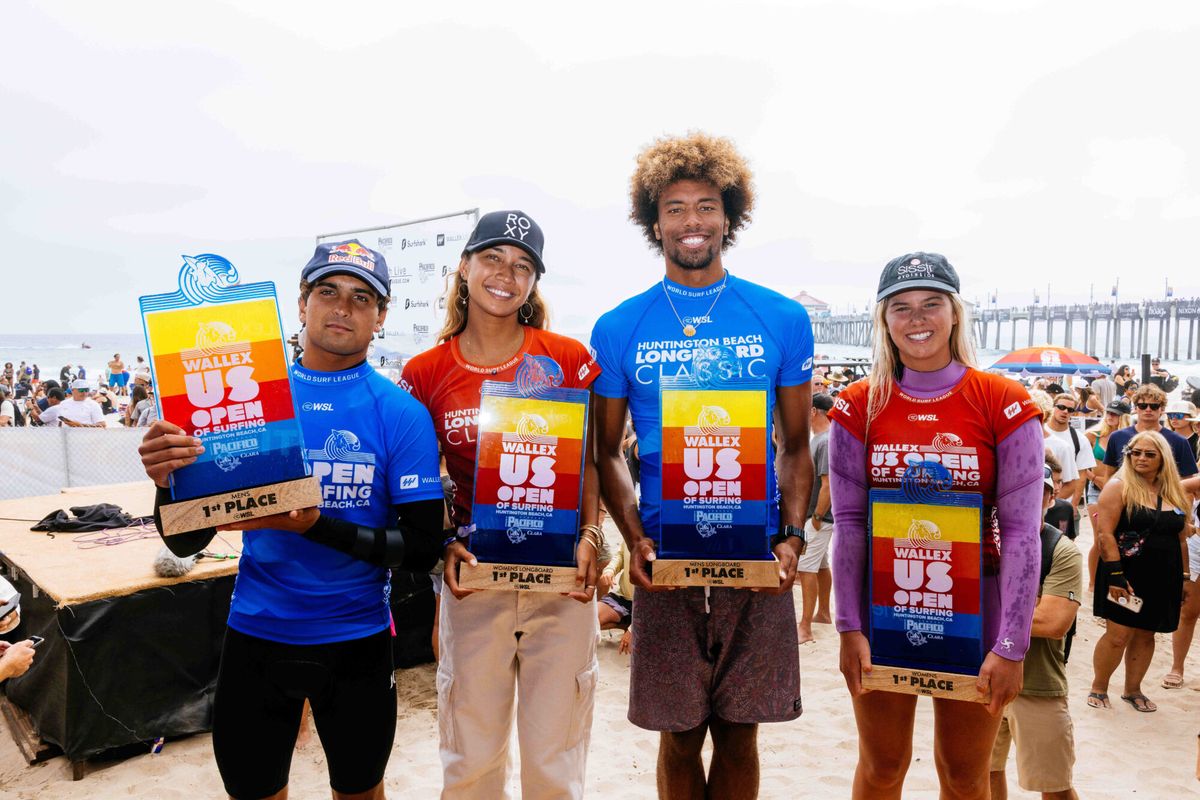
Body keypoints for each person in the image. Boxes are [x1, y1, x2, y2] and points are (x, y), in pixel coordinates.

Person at [138, 239, 446, 800]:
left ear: (380, 316)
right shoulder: (251, 398)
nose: (342, 308)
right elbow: (187, 542)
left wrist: (314, 525)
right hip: (257, 633)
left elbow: (423, 548)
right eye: (327, 291)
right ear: (301, 303)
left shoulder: (400, 413)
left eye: (361, 298)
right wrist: (166, 485)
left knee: (360, 791)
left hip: (359, 640)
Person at [591, 132, 813, 799]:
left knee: (742, 729)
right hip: (666, 555)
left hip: (755, 551)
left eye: (707, 206)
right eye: (677, 207)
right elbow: (604, 451)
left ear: (730, 215)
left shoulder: (781, 317)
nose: (692, 221)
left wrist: (793, 537)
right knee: (678, 732)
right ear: (653, 221)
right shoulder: (619, 325)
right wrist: (633, 539)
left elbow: (796, 445)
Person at [400, 210, 603, 800]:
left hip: (562, 582)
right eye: (492, 258)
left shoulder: (567, 356)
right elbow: (420, 480)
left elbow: (590, 460)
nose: (505, 274)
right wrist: (443, 544)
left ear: (534, 284)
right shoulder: (424, 371)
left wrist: (591, 537)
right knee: (470, 760)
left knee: (555, 761)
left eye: (522, 266)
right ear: (463, 268)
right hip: (476, 580)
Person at [830, 252, 1044, 800]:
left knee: (963, 774)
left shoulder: (1004, 401)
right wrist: (848, 625)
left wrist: (1013, 643)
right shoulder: (859, 405)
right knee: (882, 767)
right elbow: (849, 523)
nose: (916, 318)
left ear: (955, 313)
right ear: (883, 319)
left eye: (931, 304)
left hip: (978, 611)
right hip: (883, 610)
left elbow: (1022, 533)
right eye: (900, 307)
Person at [988, 456, 1083, 800]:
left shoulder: (1061, 550)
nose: (1027, 500)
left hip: (1038, 682)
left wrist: (983, 611)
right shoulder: (982, 540)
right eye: (1018, 491)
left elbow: (1054, 622)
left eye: (1038, 492)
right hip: (982, 677)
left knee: (1054, 786)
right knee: (982, 774)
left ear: (1050, 498)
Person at [1089, 430, 1192, 712]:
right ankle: (1099, 686)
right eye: (1135, 453)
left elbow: (1180, 538)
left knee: (1147, 634)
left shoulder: (1172, 490)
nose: (1141, 459)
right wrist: (1114, 575)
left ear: (1163, 458)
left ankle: (1132, 689)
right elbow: (1104, 535)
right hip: (1125, 575)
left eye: (1149, 454)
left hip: (1163, 576)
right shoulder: (1118, 486)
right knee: (1118, 634)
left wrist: (1184, 577)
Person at [1095, 384, 1198, 491]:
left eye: (1154, 406)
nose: (1148, 409)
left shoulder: (1179, 441)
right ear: (1135, 408)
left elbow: (1187, 481)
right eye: (1143, 406)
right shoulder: (1117, 437)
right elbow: (1109, 474)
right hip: (1124, 500)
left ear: (1162, 409)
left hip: (1163, 502)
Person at [797, 391, 835, 644]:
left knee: (805, 567)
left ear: (813, 412)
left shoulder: (824, 441)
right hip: (818, 515)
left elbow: (827, 484)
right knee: (820, 564)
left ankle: (805, 626)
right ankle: (823, 613)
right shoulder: (821, 439)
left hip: (819, 515)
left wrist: (818, 516)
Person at [1084, 398, 1132, 589]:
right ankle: (1093, 583)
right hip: (1097, 490)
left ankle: (1113, 578)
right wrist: (1095, 479)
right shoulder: (1092, 435)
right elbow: (1083, 467)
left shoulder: (1130, 438)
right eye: (1109, 412)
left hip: (1122, 491)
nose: (1111, 416)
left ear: (1124, 417)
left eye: (1116, 414)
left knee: (1121, 538)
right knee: (1100, 538)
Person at [1164, 473, 1200, 690]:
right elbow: (1177, 486)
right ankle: (1177, 667)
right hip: (1197, 549)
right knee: (1188, 610)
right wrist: (1185, 520)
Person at [1044, 393, 1095, 513]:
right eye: (1061, 407)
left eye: (1070, 409)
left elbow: (1081, 476)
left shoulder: (1080, 440)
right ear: (1053, 407)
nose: (1065, 411)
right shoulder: (1038, 431)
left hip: (1063, 504)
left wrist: (1074, 504)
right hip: (1036, 502)